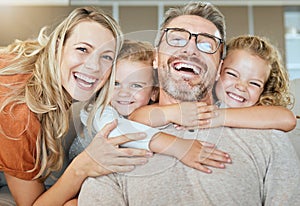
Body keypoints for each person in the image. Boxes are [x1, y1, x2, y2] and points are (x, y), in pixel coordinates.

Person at [78, 2, 300, 205]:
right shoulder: (117, 138)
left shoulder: (267, 138)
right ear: (155, 57)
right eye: (176, 39)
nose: (190, 49)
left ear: (219, 69)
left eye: (205, 44)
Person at [0, 7, 153, 206]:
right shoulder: (17, 111)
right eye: (82, 49)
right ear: (57, 47)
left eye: (106, 56)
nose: (93, 66)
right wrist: (83, 165)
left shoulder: (46, 65)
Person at [70, 39, 231, 173]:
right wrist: (178, 146)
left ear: (154, 92)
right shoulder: (101, 110)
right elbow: (117, 131)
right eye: (116, 84)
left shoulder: (148, 110)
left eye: (136, 86)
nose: (124, 93)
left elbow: (143, 116)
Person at [128, 35, 296, 132]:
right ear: (217, 71)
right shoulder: (199, 102)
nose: (241, 86)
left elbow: (287, 119)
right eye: (232, 74)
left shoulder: (257, 112)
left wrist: (217, 117)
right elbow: (137, 116)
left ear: (264, 90)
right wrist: (174, 113)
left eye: (254, 83)